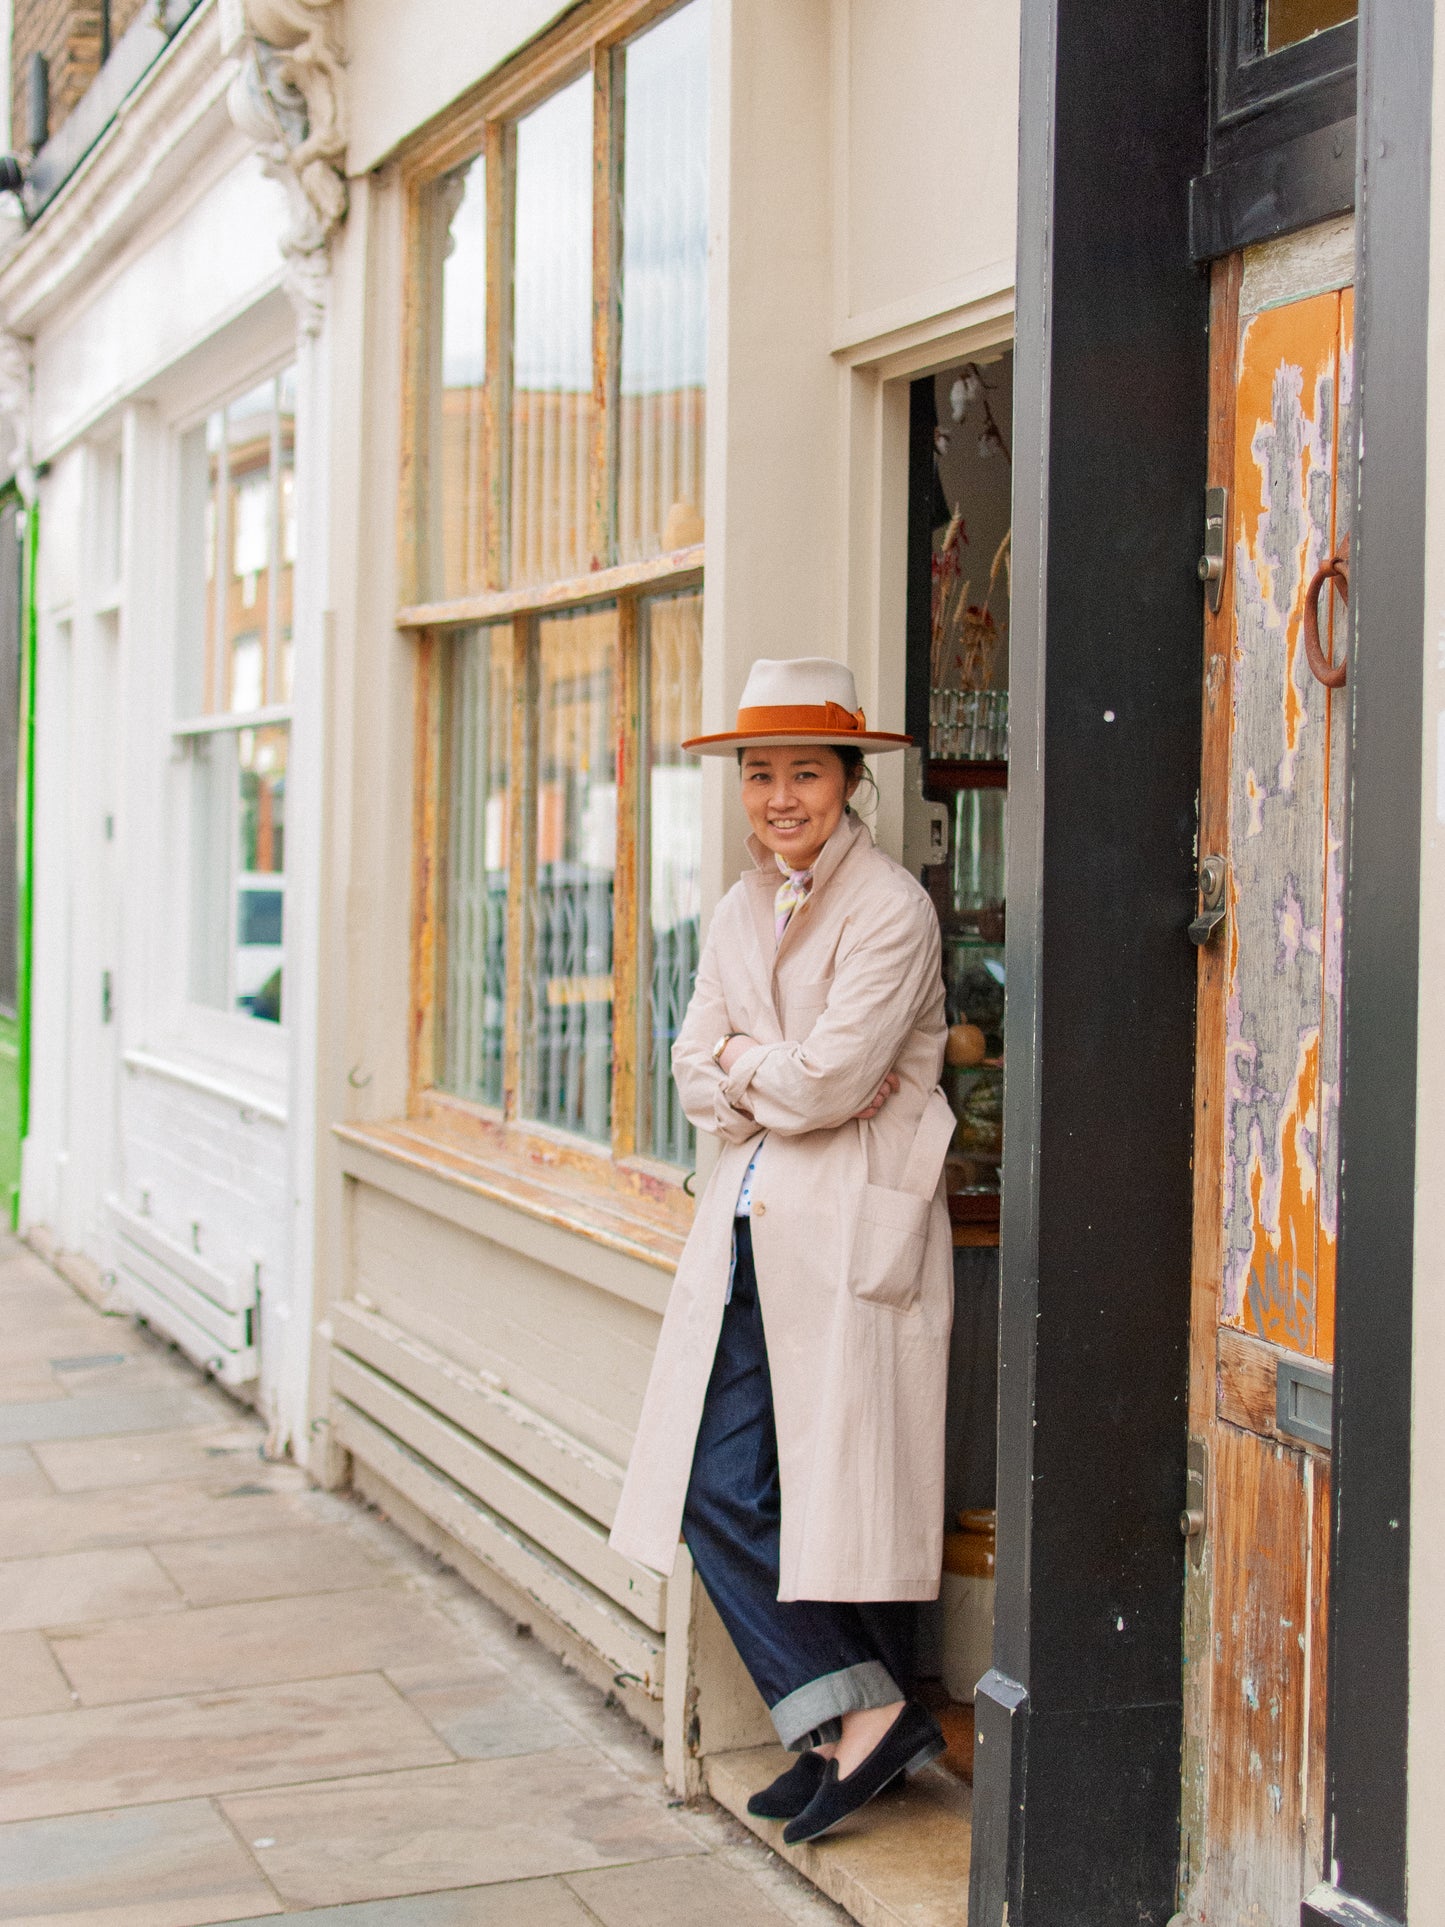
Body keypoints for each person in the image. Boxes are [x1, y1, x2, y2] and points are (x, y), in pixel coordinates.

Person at [609, 656, 957, 1845]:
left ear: (848, 780)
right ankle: (859, 1717)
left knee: (838, 1489)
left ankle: (858, 1730)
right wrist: (768, 1075)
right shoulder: (735, 909)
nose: (777, 796)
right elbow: (695, 1069)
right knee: (715, 1484)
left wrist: (753, 1069)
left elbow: (826, 1081)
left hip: (848, 1230)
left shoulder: (889, 910)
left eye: (803, 771)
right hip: (747, 1229)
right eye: (758, 774)